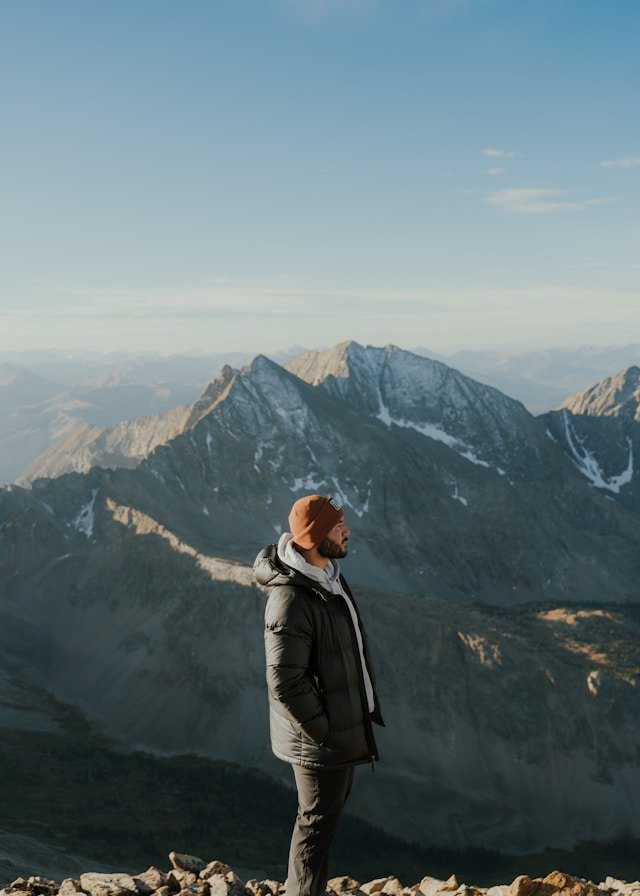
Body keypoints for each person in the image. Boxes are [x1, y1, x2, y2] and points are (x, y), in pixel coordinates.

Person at [253, 494, 384, 896]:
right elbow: (285, 682)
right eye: (337, 526)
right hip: (320, 741)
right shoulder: (291, 599)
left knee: (321, 829)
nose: (347, 531)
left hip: (339, 732)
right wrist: (325, 733)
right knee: (313, 833)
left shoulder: (328, 576)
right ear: (312, 538)